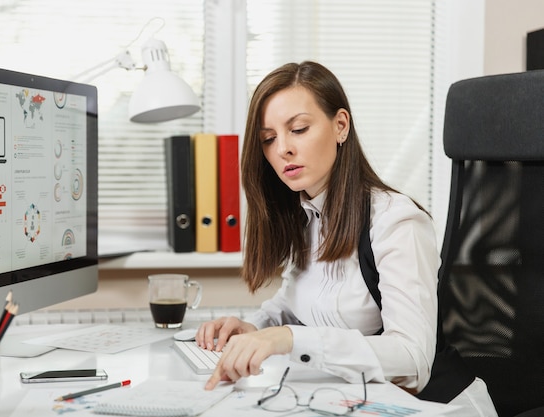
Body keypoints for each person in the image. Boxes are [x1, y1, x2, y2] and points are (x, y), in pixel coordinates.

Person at [196, 61, 497, 415]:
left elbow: (413, 360)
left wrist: (289, 340)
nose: (282, 150)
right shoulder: (306, 212)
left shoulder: (395, 221)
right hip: (354, 401)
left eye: (299, 129)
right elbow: (294, 302)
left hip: (437, 408)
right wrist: (253, 329)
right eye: (269, 139)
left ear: (340, 125)